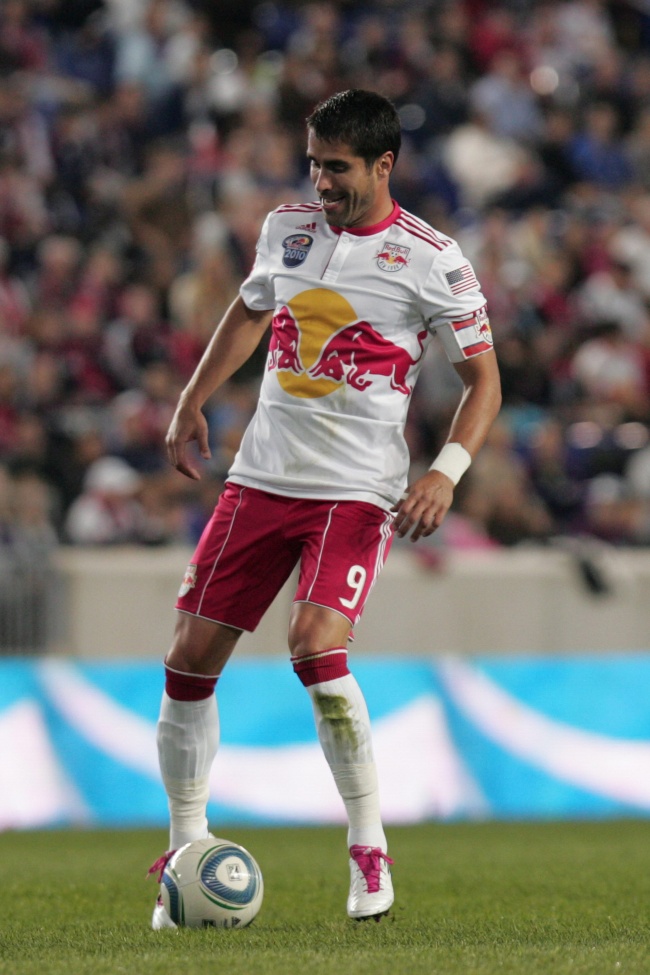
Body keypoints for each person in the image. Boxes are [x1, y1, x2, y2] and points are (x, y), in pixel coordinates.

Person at [148, 88, 502, 926]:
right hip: (261, 477)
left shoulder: (433, 259)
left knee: (314, 644)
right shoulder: (287, 229)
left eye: (337, 168)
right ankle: (186, 849)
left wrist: (446, 473)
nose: (322, 182)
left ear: (383, 165)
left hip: (354, 490)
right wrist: (193, 397)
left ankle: (368, 846)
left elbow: (484, 382)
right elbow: (250, 308)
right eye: (314, 164)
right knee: (188, 658)